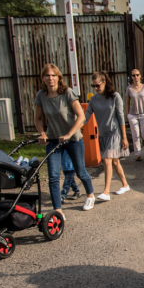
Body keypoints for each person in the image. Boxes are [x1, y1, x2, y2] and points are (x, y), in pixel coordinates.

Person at [34, 63, 97, 213]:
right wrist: (42, 133)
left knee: (80, 171)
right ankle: (58, 210)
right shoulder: (41, 95)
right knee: (53, 176)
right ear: (43, 78)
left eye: (53, 75)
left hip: (73, 139)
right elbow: (37, 119)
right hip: (53, 140)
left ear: (58, 77)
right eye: (47, 75)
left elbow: (81, 116)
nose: (50, 78)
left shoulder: (67, 93)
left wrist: (69, 134)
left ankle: (90, 195)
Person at [86, 71, 130, 200]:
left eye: (97, 85)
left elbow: (121, 117)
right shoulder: (93, 100)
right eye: (93, 86)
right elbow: (86, 116)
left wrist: (124, 137)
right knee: (115, 161)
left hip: (114, 133)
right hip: (102, 135)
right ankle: (125, 184)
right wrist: (74, 128)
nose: (95, 88)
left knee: (107, 160)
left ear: (104, 83)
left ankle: (106, 191)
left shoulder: (115, 96)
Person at [126, 69, 144, 160]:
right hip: (133, 114)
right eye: (133, 75)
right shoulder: (129, 88)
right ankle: (138, 154)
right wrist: (127, 114)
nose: (135, 77)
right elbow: (127, 102)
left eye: (137, 75)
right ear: (131, 77)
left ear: (140, 76)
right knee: (135, 135)